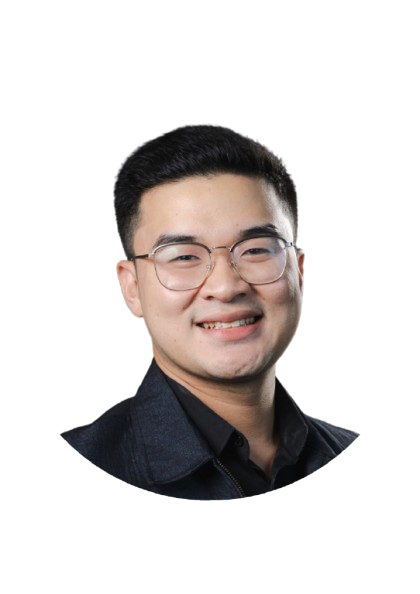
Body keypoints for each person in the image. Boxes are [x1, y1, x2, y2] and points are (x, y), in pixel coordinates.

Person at [60, 124, 360, 499]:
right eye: (183, 257)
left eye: (255, 249)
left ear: (299, 272)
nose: (226, 287)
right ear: (131, 287)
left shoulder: (343, 448)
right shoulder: (90, 458)